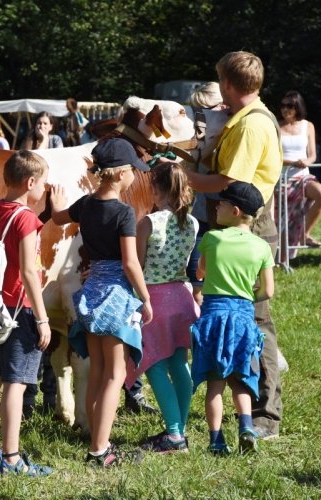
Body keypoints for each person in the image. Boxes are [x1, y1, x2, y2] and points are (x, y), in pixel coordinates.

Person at [184, 51, 283, 441]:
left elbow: (228, 184)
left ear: (226, 84)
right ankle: (252, 406)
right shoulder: (249, 116)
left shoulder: (249, 127)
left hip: (248, 227)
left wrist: (181, 177)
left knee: (256, 323)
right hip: (241, 227)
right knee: (249, 319)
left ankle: (264, 415)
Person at [50, 138, 152, 467]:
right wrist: (146, 297)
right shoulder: (124, 213)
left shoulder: (85, 204)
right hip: (117, 298)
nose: (136, 177)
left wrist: (56, 204)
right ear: (121, 174)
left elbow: (58, 218)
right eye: (134, 171)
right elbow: (130, 263)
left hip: (90, 295)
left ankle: (96, 441)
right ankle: (100, 450)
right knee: (114, 375)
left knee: (96, 374)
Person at [0, 150, 53, 476]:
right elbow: (30, 272)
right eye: (42, 182)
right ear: (31, 183)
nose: (44, 187)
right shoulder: (27, 219)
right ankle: (12, 458)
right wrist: (42, 320)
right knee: (16, 384)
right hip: (20, 310)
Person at [190, 181, 274, 455]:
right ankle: (246, 426)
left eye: (222, 203)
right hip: (243, 321)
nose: (217, 207)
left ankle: (216, 440)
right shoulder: (262, 247)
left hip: (214, 318)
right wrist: (247, 295)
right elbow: (268, 290)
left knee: (215, 386)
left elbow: (200, 273)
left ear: (235, 211)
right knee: (240, 380)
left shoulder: (212, 238)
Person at [127, 162, 199, 454]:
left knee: (154, 367)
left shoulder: (148, 222)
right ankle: (178, 429)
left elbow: (137, 264)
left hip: (154, 300)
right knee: (180, 364)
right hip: (183, 297)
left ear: (157, 188)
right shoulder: (192, 223)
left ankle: (173, 434)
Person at [187, 82, 227, 306]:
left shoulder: (235, 134)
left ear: (222, 106)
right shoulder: (199, 136)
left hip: (230, 222)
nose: (199, 116)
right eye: (196, 110)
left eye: (204, 110)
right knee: (197, 287)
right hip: (201, 218)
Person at [277, 91, 321, 261]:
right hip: (282, 178)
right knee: (284, 221)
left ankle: (305, 234)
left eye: (289, 106)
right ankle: (281, 260)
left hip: (303, 176)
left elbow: (313, 155)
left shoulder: (308, 126)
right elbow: (272, 155)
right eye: (283, 105)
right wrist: (290, 162)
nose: (285, 109)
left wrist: (307, 161)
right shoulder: (276, 126)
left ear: (297, 107)